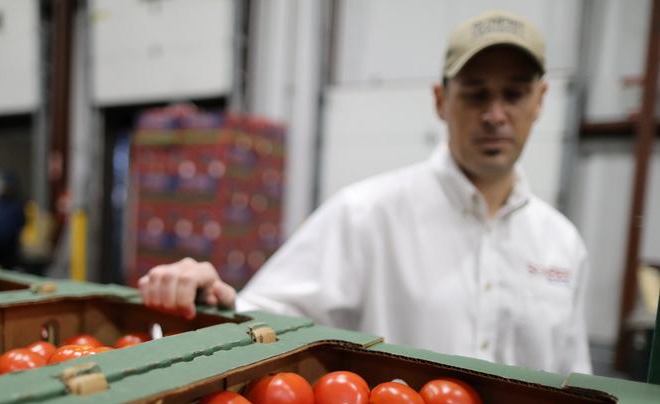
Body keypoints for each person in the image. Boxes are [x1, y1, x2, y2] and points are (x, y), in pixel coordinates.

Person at [137, 10, 592, 375]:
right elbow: (266, 314)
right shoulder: (368, 214)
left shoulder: (562, 243)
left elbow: (576, 382)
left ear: (541, 101)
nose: (495, 114)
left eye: (513, 94)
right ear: (440, 100)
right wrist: (212, 297)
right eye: (475, 94)